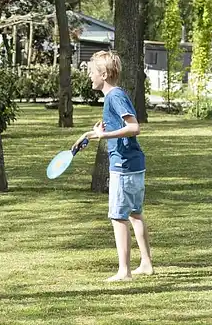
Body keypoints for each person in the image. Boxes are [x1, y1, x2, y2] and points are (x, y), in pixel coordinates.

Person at [74, 50, 153, 281]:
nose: (90, 77)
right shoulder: (116, 96)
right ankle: (146, 264)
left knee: (118, 217)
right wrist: (91, 134)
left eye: (92, 73)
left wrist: (103, 137)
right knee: (135, 214)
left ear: (105, 74)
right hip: (134, 164)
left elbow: (133, 127)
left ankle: (124, 271)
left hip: (124, 165)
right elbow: (118, 127)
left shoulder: (114, 97)